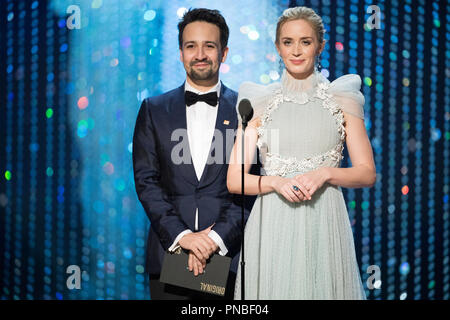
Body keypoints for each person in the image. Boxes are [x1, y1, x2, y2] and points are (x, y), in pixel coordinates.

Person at [227, 6, 376, 299]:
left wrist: (326, 173)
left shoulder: (342, 98)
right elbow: (234, 179)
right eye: (288, 42)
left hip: (325, 222)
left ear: (320, 45)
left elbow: (367, 172)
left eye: (305, 42)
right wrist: (276, 182)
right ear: (277, 46)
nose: (296, 50)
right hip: (271, 224)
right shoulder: (258, 101)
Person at [132, 8, 257, 300]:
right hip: (169, 255)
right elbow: (147, 182)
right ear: (180, 53)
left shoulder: (248, 111)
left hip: (230, 257)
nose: (200, 54)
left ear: (223, 53)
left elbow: (251, 186)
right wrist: (184, 237)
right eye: (191, 46)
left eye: (209, 46)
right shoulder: (153, 109)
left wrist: (213, 239)